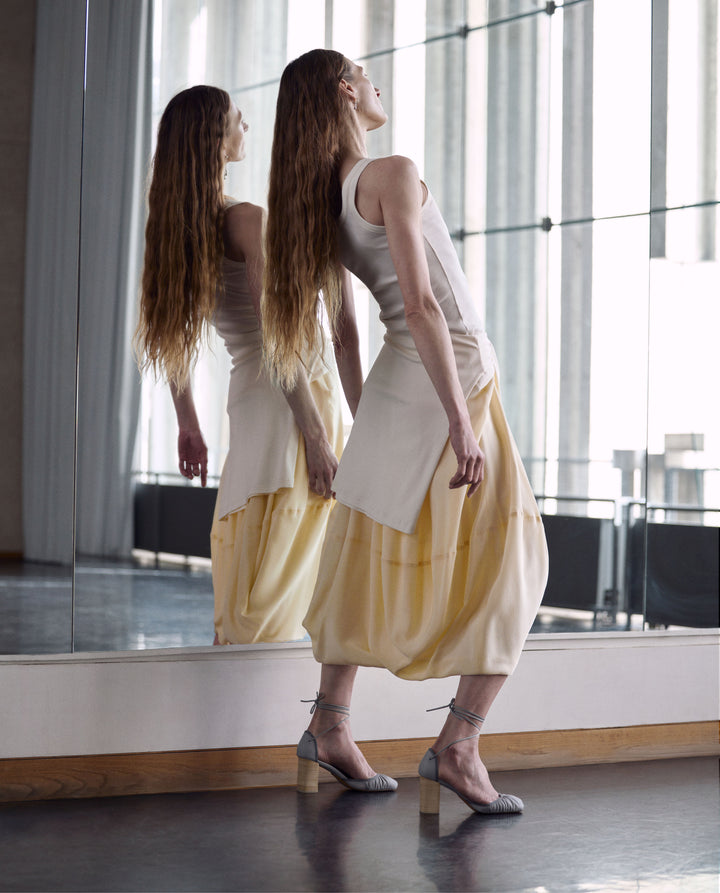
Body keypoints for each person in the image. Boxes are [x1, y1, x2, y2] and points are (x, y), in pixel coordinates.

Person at [263, 50, 549, 811]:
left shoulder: (315, 205)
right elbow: (423, 306)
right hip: (450, 370)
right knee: (519, 558)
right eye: (366, 72)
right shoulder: (389, 170)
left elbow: (348, 336)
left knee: (358, 562)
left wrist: (370, 428)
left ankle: (329, 724)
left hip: (394, 382)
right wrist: (461, 421)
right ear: (344, 91)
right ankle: (458, 745)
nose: (378, 82)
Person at [135, 85, 352, 645]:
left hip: (251, 407)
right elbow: (280, 341)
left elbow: (172, 341)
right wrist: (317, 436)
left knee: (252, 573)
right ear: (215, 139)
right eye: (237, 120)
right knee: (285, 577)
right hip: (296, 401)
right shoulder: (248, 222)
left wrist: (187, 423)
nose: (246, 127)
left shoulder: (170, 234)